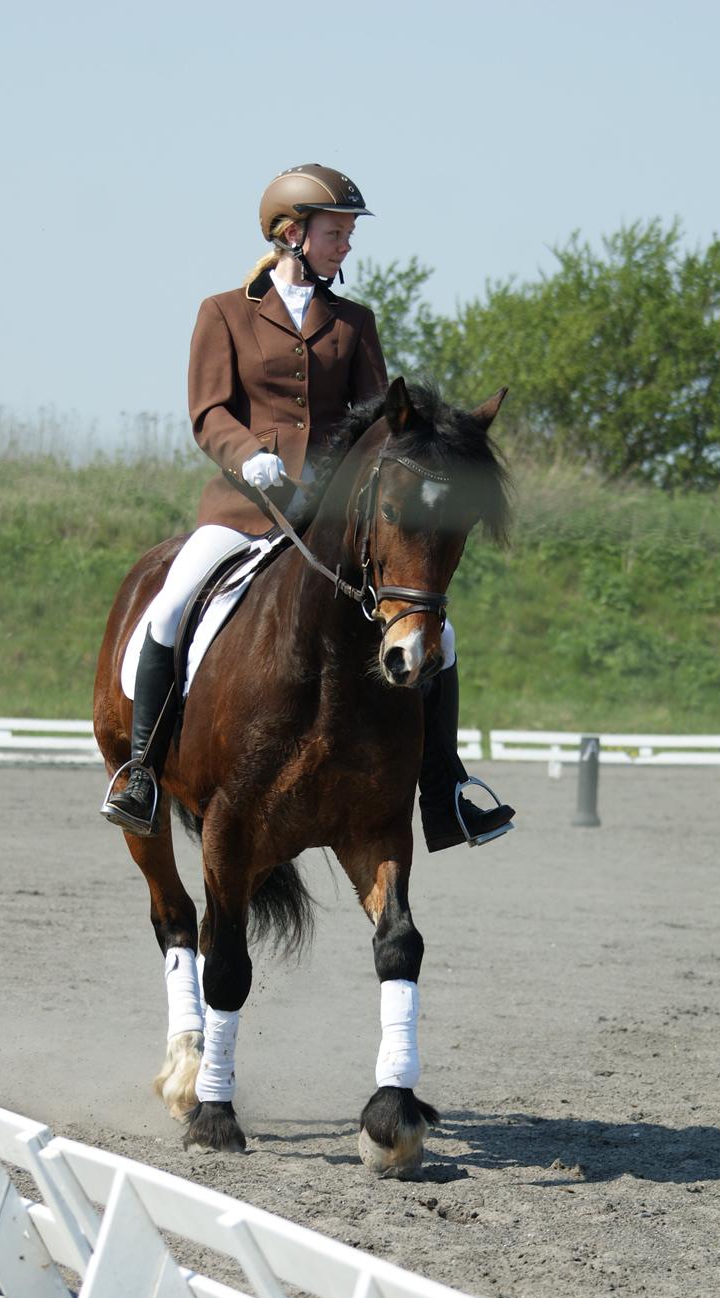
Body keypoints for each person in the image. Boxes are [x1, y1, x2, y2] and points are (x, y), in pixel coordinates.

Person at [101, 162, 514, 852]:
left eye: (348, 234)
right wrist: (246, 455)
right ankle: (141, 772)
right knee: (169, 606)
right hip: (243, 508)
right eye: (335, 232)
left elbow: (384, 422)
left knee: (439, 635)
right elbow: (207, 413)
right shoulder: (223, 313)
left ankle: (444, 790)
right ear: (291, 234)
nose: (345, 245)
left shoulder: (353, 322)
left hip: (329, 521)